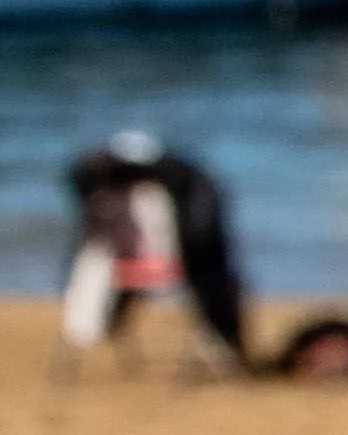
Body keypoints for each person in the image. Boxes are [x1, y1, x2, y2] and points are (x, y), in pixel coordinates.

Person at [56, 133, 249, 370]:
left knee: (92, 273)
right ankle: (220, 346)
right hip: (153, 269)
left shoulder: (112, 197)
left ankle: (88, 333)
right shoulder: (171, 195)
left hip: (142, 269)